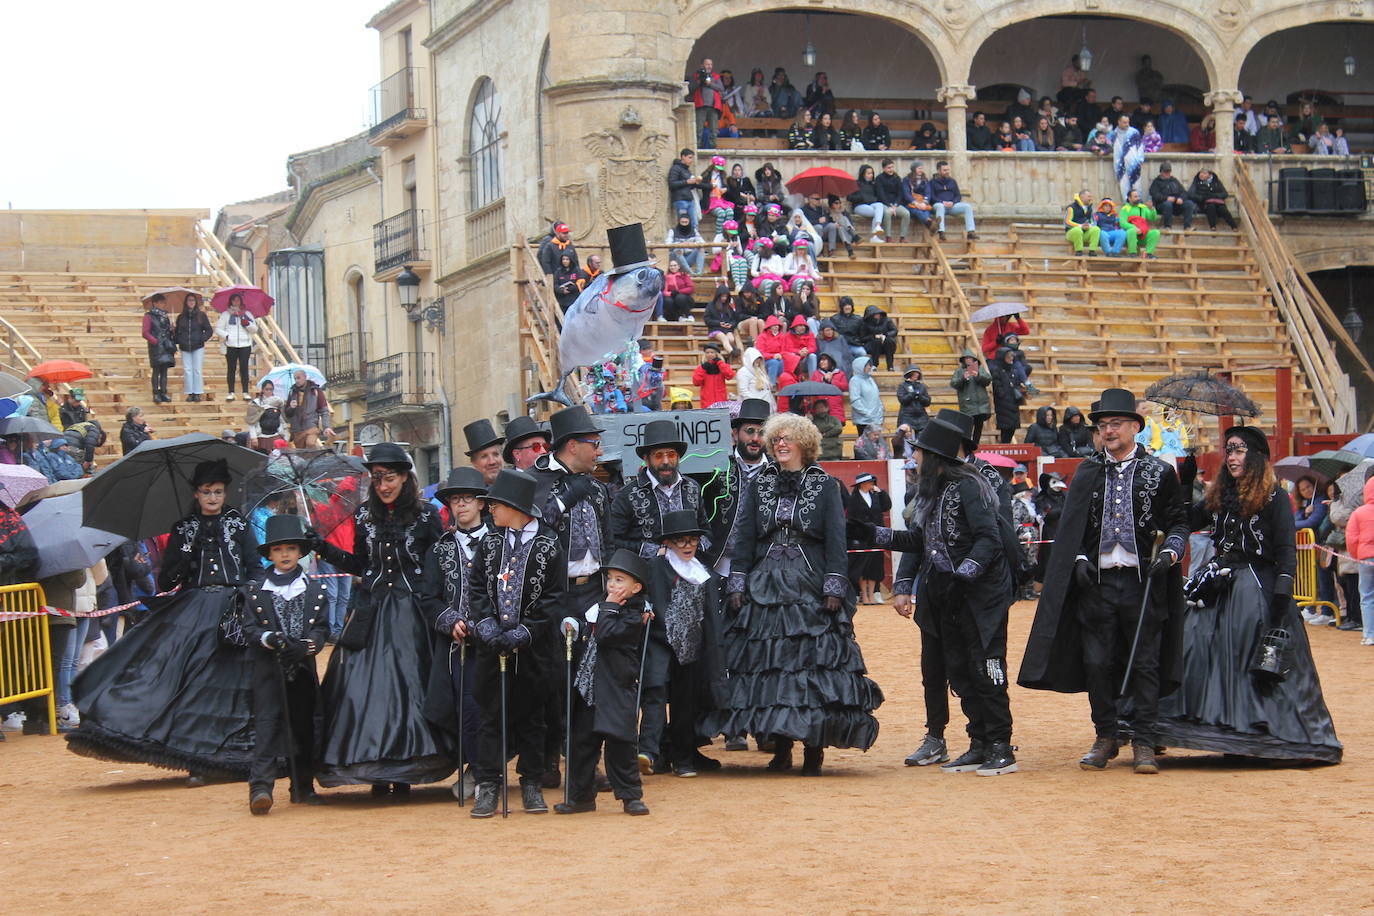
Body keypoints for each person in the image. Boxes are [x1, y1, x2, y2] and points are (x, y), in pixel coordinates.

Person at [1018, 388, 1190, 775]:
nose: (1107, 431)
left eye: (1115, 424)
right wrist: (1079, 558)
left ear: (1134, 427)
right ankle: (1106, 735)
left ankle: (1144, 740)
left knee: (1144, 663)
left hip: (1142, 582)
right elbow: (1074, 525)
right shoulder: (1089, 471)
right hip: (1096, 584)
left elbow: (1178, 523)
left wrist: (1171, 551)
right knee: (1097, 662)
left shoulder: (1159, 472)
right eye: (1103, 425)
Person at [704, 413, 883, 775]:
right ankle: (781, 747)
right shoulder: (761, 483)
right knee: (770, 667)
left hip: (809, 582)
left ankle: (813, 749)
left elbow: (836, 539)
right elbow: (745, 536)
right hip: (764, 583)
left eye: (786, 438)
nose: (779, 444)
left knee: (811, 667)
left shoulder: (827, 485)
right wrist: (738, 580)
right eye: (776, 440)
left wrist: (834, 584)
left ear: (804, 442)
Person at [1156, 429, 1343, 763]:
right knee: (1193, 644)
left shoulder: (1273, 496)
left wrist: (1282, 596)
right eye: (1228, 450)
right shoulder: (1219, 495)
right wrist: (1183, 482)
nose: (1231, 457)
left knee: (1250, 655)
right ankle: (1212, 729)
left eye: (1239, 450)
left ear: (1256, 456)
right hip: (1217, 583)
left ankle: (1261, 735)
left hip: (1256, 588)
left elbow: (1286, 550)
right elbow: (1183, 519)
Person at [66, 460, 258, 782]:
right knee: (192, 683)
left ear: (226, 493)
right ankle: (199, 758)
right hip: (195, 610)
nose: (213, 498)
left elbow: (254, 566)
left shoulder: (239, 524)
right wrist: (182, 552)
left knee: (237, 684)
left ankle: (240, 756)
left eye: (219, 492)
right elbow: (168, 581)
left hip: (235, 610)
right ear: (196, 494)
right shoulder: (183, 528)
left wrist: (250, 595)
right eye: (207, 492)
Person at [865, 419, 1018, 775]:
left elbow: (988, 539)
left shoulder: (969, 486)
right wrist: (873, 534)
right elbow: (921, 541)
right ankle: (979, 742)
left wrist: (963, 575)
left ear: (935, 456)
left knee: (986, 666)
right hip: (952, 594)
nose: (913, 456)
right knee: (961, 670)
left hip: (982, 594)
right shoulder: (933, 490)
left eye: (918, 451)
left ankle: (1000, 744)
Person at [310, 443, 455, 796]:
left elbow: (441, 562)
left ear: (405, 477)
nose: (383, 486)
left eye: (389, 478)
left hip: (412, 613)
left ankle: (406, 768)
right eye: (376, 479)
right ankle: (372, 767)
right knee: (359, 689)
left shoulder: (425, 515)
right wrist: (322, 547)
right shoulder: (363, 516)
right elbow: (362, 565)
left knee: (411, 685)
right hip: (371, 611)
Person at [464, 469, 566, 817]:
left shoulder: (549, 546)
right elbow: (476, 587)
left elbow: (554, 598)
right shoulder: (490, 543)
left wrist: (526, 632)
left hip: (534, 649)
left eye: (496, 504)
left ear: (515, 507)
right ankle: (488, 782)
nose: (490, 509)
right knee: (491, 716)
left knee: (533, 717)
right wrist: (488, 626)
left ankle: (531, 781)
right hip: (492, 646)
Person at [527, 406, 613, 789]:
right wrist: (563, 500)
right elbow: (530, 526)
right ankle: (548, 760)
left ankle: (584, 764)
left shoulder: (596, 484)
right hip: (553, 597)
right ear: (573, 445)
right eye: (593, 444)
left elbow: (609, 536)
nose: (599, 451)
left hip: (592, 589)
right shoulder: (535, 478)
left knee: (589, 679)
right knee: (552, 681)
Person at [239, 514, 331, 814]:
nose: (285, 555)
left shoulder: (315, 590)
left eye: (291, 549)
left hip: (302, 670)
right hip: (268, 670)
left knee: (303, 728)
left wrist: (308, 646)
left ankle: (303, 785)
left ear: (300, 553)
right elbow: (250, 630)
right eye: (278, 550)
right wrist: (270, 638)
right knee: (267, 727)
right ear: (269, 554)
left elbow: (321, 628)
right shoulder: (255, 590)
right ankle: (261, 787)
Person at [557, 549, 651, 815]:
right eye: (610, 578)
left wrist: (608, 606)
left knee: (621, 742)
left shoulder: (634, 615)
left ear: (636, 587)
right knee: (582, 742)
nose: (612, 584)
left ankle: (630, 795)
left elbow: (607, 634)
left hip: (617, 686)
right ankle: (581, 797)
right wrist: (573, 627)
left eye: (620, 580)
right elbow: (589, 630)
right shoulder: (598, 607)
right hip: (589, 687)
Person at [420, 466, 490, 802]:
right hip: (458, 643)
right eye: (454, 501)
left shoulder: (501, 541)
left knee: (498, 705)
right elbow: (428, 597)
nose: (460, 506)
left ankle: (499, 769)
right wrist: (450, 621)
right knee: (467, 707)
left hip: (498, 641)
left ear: (480, 503)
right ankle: (477, 768)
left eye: (466, 499)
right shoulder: (439, 548)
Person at [640, 511, 727, 778]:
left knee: (685, 702)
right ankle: (650, 752)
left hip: (692, 647)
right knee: (654, 695)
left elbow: (712, 617)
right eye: (681, 541)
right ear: (668, 543)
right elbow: (641, 594)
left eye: (692, 540)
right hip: (659, 642)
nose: (688, 546)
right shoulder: (654, 568)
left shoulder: (705, 575)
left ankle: (683, 757)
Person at [847, 473, 891, 605]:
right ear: (862, 484)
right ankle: (864, 596)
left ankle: (871, 595)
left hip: (875, 535)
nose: (872, 484)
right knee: (862, 566)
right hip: (861, 536)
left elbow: (887, 506)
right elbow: (852, 518)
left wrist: (881, 492)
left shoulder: (876, 496)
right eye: (870, 482)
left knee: (874, 566)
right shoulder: (853, 498)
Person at [1347, 473, 1374, 645]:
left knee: (1367, 597)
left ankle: (1370, 634)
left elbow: (1351, 538)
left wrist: (1357, 556)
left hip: (1365, 558)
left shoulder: (1359, 512)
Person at [215, 294, 256, 402]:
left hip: (245, 345)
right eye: (234, 300)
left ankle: (245, 392)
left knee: (244, 368)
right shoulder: (226, 314)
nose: (236, 302)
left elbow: (254, 329)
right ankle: (231, 392)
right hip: (231, 345)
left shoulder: (247, 314)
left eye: (238, 300)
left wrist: (246, 323)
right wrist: (227, 336)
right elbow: (218, 329)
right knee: (231, 369)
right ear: (231, 301)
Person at [173, 293, 214, 402]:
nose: (191, 302)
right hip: (184, 346)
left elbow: (209, 330)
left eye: (193, 300)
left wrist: (202, 338)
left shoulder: (201, 315)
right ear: (186, 302)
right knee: (187, 370)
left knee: (197, 369)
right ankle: (190, 392)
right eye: (189, 300)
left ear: (195, 302)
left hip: (198, 346)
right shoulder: (181, 317)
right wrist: (175, 333)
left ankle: (198, 392)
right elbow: (177, 333)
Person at [950, 349, 991, 445]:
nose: (968, 360)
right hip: (967, 404)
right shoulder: (959, 371)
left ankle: (975, 444)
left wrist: (978, 376)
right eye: (966, 358)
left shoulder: (980, 369)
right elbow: (954, 383)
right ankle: (967, 445)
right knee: (967, 426)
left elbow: (988, 380)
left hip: (981, 404)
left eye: (970, 358)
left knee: (979, 426)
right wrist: (963, 379)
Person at [928, 161, 976, 242]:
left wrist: (953, 202)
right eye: (944, 170)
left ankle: (971, 232)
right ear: (939, 171)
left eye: (948, 170)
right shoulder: (932, 182)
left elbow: (958, 195)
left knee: (967, 207)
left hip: (951, 205)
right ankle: (941, 232)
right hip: (939, 205)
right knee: (940, 206)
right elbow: (931, 196)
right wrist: (942, 202)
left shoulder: (952, 181)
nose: (947, 172)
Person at [283, 370, 333, 449]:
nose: (297, 381)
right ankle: (316, 459)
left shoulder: (315, 390)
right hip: (297, 430)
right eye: (295, 378)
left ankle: (318, 457)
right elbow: (287, 414)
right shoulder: (292, 392)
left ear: (305, 377)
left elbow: (324, 410)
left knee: (310, 444)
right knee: (302, 454)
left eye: (299, 378)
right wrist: (291, 407)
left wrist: (326, 427)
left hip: (311, 426)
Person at [141, 292, 176, 404]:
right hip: (156, 346)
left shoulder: (166, 316)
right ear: (155, 303)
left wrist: (172, 329)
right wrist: (155, 341)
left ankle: (164, 392)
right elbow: (145, 332)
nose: (163, 305)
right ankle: (156, 393)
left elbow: (167, 331)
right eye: (161, 302)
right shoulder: (149, 316)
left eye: (163, 303)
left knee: (164, 370)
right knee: (156, 370)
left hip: (165, 346)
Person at [988, 347, 1024, 443]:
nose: (1011, 359)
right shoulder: (997, 371)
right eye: (1008, 357)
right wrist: (1003, 395)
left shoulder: (1013, 371)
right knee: (1005, 429)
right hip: (1003, 404)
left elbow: (1016, 384)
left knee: (1012, 427)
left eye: (1012, 356)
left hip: (1013, 403)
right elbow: (997, 387)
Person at [1148, 162, 1195, 231]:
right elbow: (1154, 194)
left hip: (1176, 204)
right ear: (1161, 172)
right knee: (1167, 204)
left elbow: (1184, 192)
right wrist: (1166, 198)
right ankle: (1167, 226)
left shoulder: (1174, 180)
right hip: (1163, 205)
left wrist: (1181, 198)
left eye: (1168, 171)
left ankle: (1187, 227)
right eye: (1165, 171)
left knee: (1189, 203)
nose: (1167, 173)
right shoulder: (1156, 182)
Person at [690, 58, 724, 147]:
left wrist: (710, 84)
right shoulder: (696, 76)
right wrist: (700, 81)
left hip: (713, 106)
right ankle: (697, 147)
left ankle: (713, 146)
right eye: (707, 64)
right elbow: (691, 88)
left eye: (710, 64)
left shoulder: (716, 76)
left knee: (714, 129)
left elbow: (721, 88)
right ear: (702, 65)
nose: (709, 66)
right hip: (700, 105)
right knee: (699, 129)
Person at [1110, 114, 1144, 204]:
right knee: (1123, 187)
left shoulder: (1134, 132)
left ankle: (1139, 209)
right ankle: (1128, 208)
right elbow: (1110, 146)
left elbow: (1140, 146)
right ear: (1119, 122)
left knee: (1137, 186)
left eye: (1128, 122)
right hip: (1120, 164)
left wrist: (1140, 159)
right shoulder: (1114, 133)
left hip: (1133, 163)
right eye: (1124, 122)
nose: (1127, 124)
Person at [462, 418, 505, 486]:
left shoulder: (518, 487)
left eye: (496, 454)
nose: (492, 462)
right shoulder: (472, 495)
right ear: (474, 463)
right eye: (484, 456)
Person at [848, 164, 884, 242]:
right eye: (868, 173)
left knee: (880, 205)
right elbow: (849, 197)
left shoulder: (873, 185)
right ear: (863, 174)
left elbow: (877, 197)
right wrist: (861, 197)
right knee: (877, 213)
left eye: (872, 173)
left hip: (871, 205)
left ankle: (877, 226)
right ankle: (874, 236)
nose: (871, 175)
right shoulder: (856, 183)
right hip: (859, 206)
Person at [848, 356, 883, 436]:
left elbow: (876, 397)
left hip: (875, 419)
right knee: (864, 445)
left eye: (870, 365)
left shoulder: (871, 379)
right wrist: (867, 414)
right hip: (863, 421)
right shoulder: (855, 380)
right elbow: (855, 400)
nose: (869, 367)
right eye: (867, 365)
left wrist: (879, 412)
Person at [667, 152, 701, 233]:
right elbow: (672, 183)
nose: (691, 160)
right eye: (689, 157)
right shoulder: (675, 168)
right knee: (683, 222)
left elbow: (689, 186)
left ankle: (695, 240)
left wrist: (695, 183)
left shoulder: (687, 169)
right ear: (683, 157)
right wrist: (687, 182)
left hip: (689, 199)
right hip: (680, 200)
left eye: (692, 158)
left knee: (694, 222)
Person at [703, 288, 742, 359]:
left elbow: (734, 320)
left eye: (726, 296)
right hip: (715, 328)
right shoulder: (711, 305)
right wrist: (718, 323)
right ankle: (732, 352)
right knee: (724, 338)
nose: (724, 298)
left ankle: (730, 353)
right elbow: (707, 319)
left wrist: (731, 325)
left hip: (727, 329)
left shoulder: (729, 306)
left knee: (731, 339)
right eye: (722, 296)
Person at [245, 381, 284, 452]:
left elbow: (281, 420)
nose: (269, 391)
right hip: (260, 436)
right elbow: (251, 422)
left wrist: (283, 433)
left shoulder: (278, 402)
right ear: (263, 390)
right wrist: (254, 437)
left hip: (274, 435)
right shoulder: (256, 403)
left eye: (271, 389)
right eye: (267, 389)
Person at [860, 305, 897, 372]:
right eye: (875, 314)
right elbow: (862, 338)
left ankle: (890, 366)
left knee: (889, 341)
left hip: (886, 345)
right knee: (877, 341)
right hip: (872, 345)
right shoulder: (865, 323)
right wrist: (873, 336)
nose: (877, 315)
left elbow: (894, 331)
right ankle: (874, 365)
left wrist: (885, 336)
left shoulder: (887, 320)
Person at [1064, 189, 1102, 256]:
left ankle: (1092, 251)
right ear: (1082, 197)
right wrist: (1080, 226)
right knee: (1077, 230)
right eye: (1089, 196)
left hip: (1084, 233)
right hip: (1072, 233)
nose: (1090, 198)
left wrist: (1089, 226)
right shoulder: (1071, 208)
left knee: (1096, 229)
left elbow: (1094, 222)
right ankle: (1079, 251)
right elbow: (1067, 222)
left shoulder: (1090, 208)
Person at [894, 366, 931, 433]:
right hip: (907, 417)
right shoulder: (903, 386)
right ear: (909, 374)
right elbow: (902, 400)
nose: (916, 375)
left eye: (917, 373)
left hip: (922, 417)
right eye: (914, 373)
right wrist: (912, 394)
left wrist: (920, 396)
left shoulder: (922, 386)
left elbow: (927, 402)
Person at [662, 256, 697, 321]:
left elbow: (691, 288)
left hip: (685, 299)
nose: (673, 267)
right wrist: (671, 293)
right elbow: (664, 291)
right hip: (672, 298)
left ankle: (688, 315)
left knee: (679, 297)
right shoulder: (666, 277)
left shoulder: (684, 275)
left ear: (679, 266)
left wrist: (679, 291)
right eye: (671, 266)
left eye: (675, 265)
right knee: (668, 301)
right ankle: (678, 317)